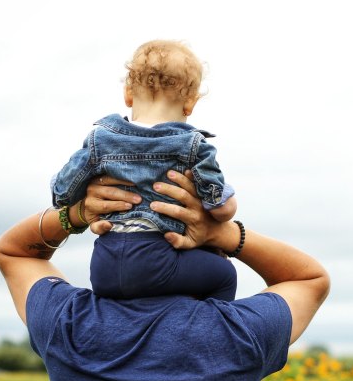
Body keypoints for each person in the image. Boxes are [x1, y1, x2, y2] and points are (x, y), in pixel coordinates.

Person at [0, 171, 330, 381]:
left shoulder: (69, 325)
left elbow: (15, 253)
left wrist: (77, 213)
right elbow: (308, 279)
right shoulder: (240, 334)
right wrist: (223, 233)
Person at [51, 40, 238, 301]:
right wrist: (227, 203)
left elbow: (62, 193)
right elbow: (219, 208)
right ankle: (211, 332)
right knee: (224, 273)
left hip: (104, 265)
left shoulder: (100, 139)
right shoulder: (193, 145)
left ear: (128, 94)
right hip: (158, 260)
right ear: (190, 104)